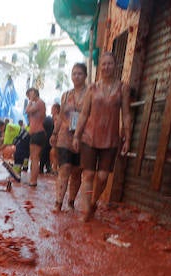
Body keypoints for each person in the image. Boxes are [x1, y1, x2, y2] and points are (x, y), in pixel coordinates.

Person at [73, 51, 132, 222]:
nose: (106, 67)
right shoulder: (92, 88)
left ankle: (93, 201)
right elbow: (84, 114)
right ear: (100, 67)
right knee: (89, 175)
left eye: (110, 64)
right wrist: (77, 136)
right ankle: (86, 210)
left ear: (115, 66)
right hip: (90, 137)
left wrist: (127, 138)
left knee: (103, 177)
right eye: (104, 64)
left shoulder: (123, 88)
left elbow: (126, 115)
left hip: (111, 139)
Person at [51, 62, 88, 212]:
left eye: (79, 73)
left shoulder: (90, 94)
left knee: (77, 171)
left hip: (83, 137)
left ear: (85, 76)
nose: (76, 76)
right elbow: (60, 117)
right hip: (65, 137)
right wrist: (54, 132)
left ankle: (71, 201)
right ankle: (58, 202)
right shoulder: (66, 95)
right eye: (74, 73)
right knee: (64, 168)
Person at [24, 87, 46, 187]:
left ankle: (33, 180)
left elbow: (27, 110)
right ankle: (32, 179)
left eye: (30, 94)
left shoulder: (40, 103)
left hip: (38, 133)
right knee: (33, 158)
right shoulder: (36, 104)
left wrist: (31, 100)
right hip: (34, 133)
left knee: (35, 158)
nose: (29, 97)